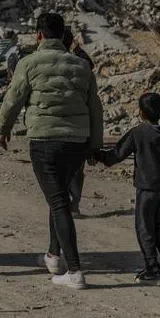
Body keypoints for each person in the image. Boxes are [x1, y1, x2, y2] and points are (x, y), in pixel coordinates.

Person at [0, 12, 103, 290]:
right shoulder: (82, 66)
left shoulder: (29, 63)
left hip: (44, 142)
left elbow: (12, 100)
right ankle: (54, 256)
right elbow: (95, 109)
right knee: (59, 197)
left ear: (39, 35)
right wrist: (94, 146)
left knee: (58, 202)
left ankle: (76, 271)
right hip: (76, 143)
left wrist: (2, 129)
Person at [97, 92, 160, 286]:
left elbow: (116, 155)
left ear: (141, 113)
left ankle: (152, 269)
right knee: (158, 225)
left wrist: (96, 155)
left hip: (146, 189)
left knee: (144, 228)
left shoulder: (138, 133)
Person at [63, 26, 93, 216]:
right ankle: (73, 204)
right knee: (76, 170)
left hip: (58, 123)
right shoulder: (79, 63)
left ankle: (64, 205)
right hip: (79, 124)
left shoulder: (49, 60)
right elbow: (89, 65)